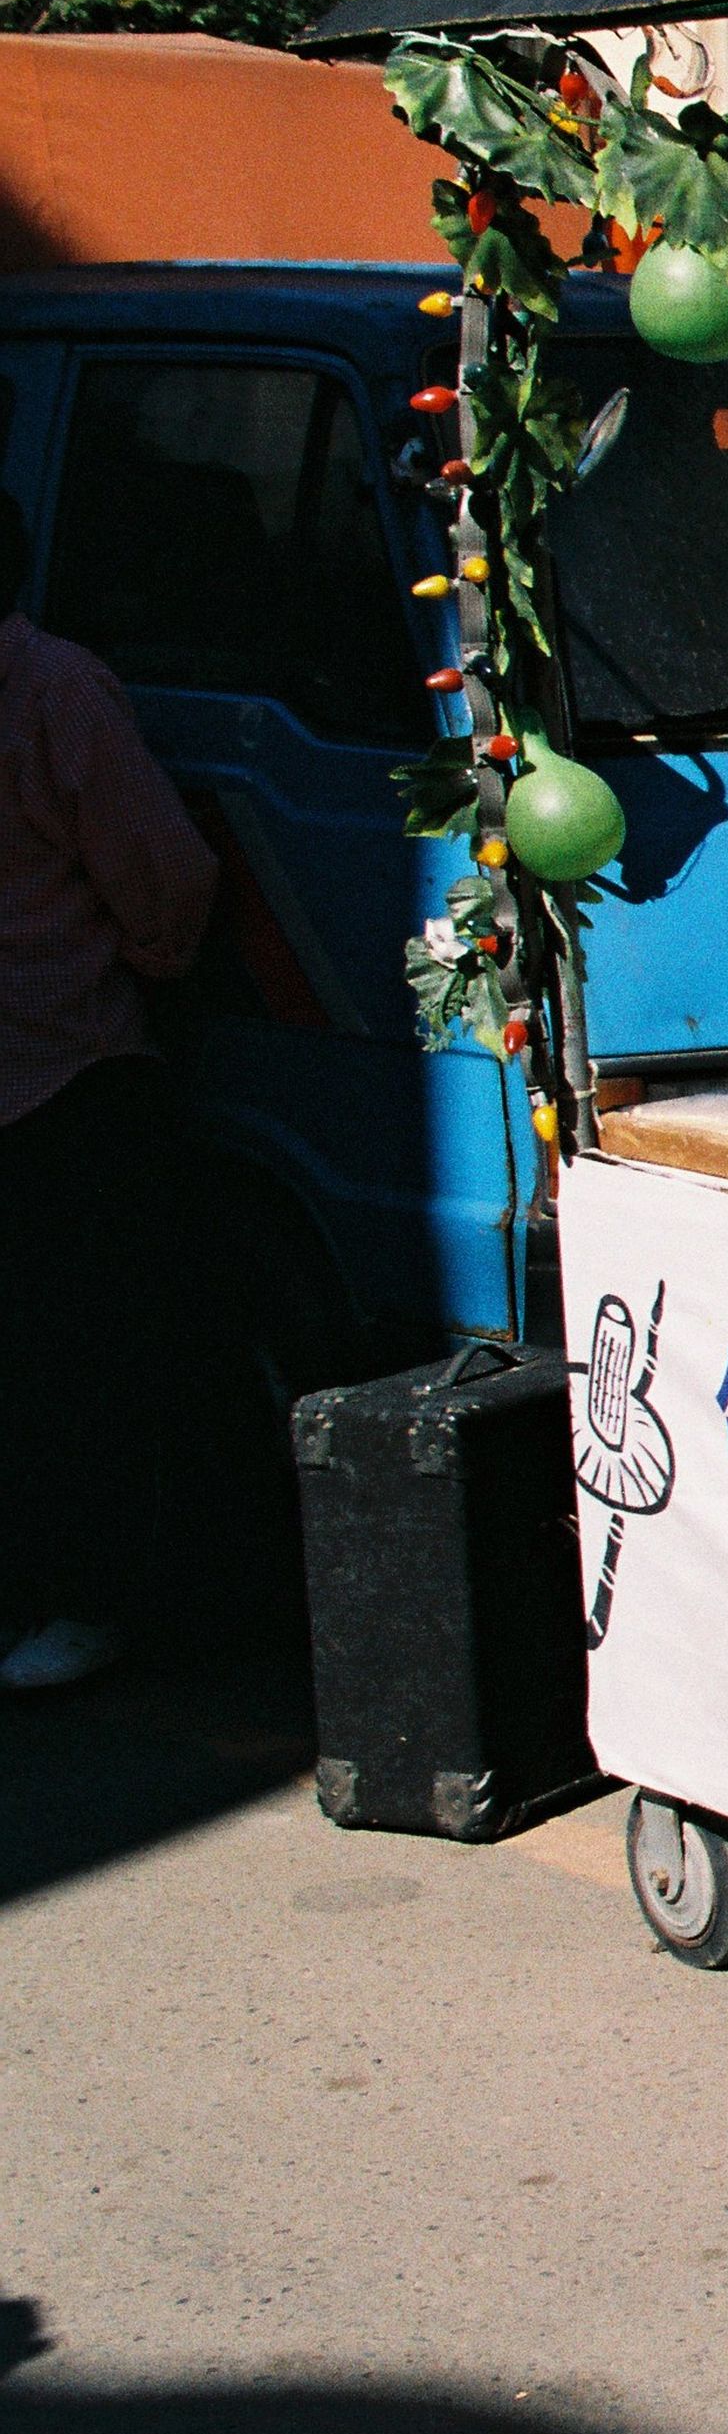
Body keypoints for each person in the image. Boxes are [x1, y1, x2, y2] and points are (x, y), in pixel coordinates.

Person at [0, 491, 220, 1692]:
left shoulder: (46, 694)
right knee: (81, 1356)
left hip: (42, 1064)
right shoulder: (53, 690)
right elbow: (164, 881)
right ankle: (85, 1600)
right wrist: (152, 967)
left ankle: (61, 1592)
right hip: (65, 1066)